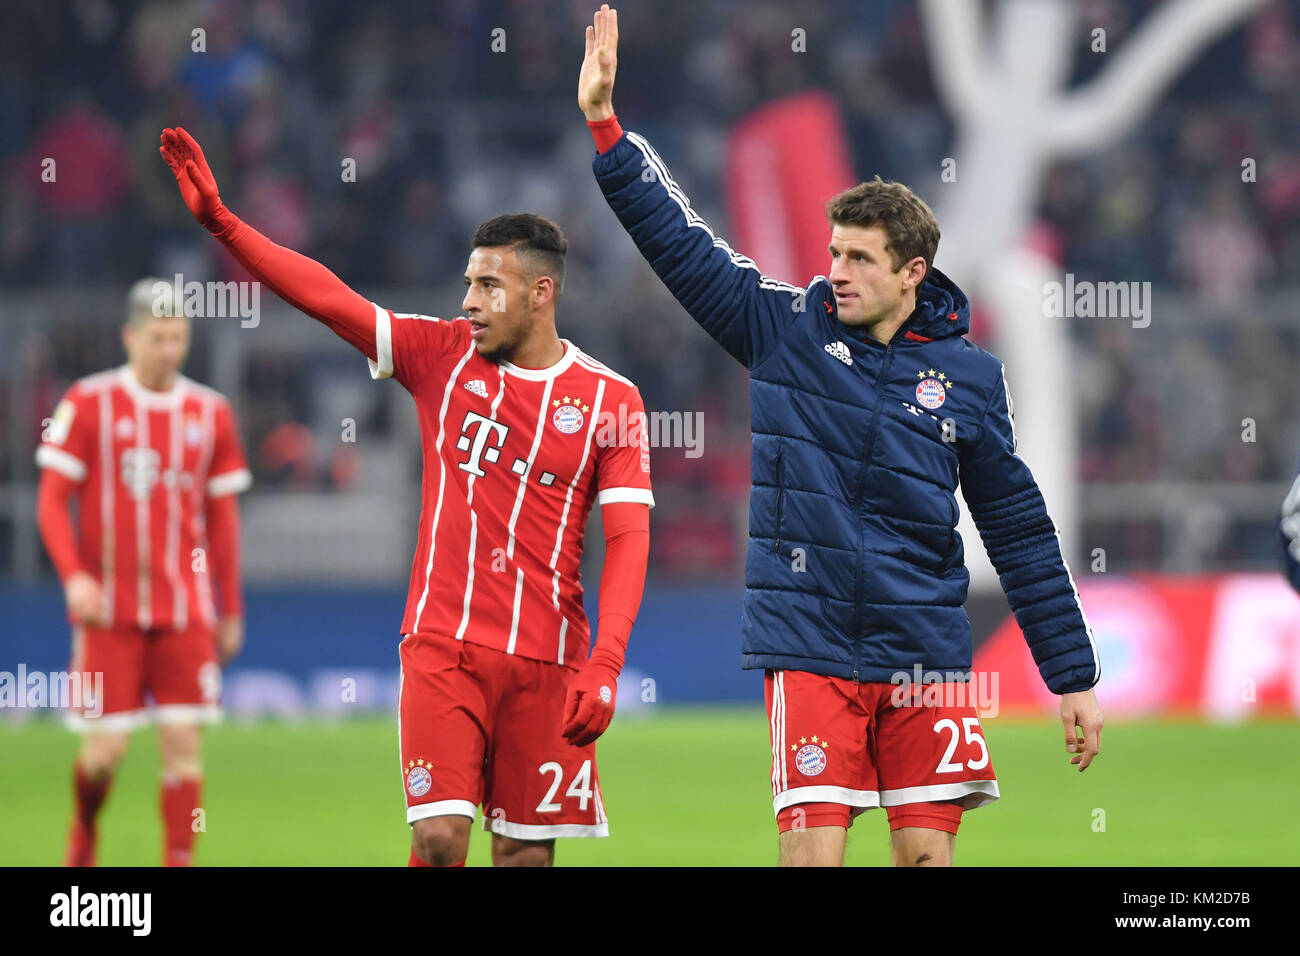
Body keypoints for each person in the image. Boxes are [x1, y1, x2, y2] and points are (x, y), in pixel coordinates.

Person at [577, 4, 1102, 867]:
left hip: (924, 652)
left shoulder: (968, 379)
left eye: (859, 259)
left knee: (928, 861)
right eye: (833, 253)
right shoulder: (784, 330)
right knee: (813, 859)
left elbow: (1017, 526)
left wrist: (1070, 675)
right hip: (813, 647)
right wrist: (609, 131)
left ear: (912, 273)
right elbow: (685, 248)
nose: (837, 272)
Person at [159, 127, 652, 867]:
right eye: (468, 282)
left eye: (489, 285)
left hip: (550, 658)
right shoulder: (440, 355)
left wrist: (606, 663)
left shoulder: (613, 399)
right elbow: (329, 298)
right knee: (441, 836)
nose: (469, 300)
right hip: (443, 645)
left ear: (541, 292)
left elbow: (630, 539)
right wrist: (222, 223)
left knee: (526, 857)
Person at [36, 278, 250, 866]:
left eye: (178, 337)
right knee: (104, 754)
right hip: (110, 612)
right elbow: (52, 500)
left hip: (186, 613)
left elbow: (223, 522)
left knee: (183, 744)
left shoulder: (211, 413)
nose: (169, 350)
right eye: (158, 338)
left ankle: (176, 863)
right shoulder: (86, 402)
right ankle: (84, 829)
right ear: (130, 336)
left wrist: (230, 608)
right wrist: (75, 576)